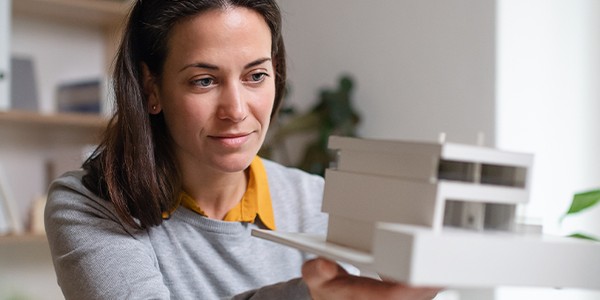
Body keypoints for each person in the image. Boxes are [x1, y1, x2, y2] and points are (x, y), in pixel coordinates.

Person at [44, 0, 440, 299]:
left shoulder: (319, 201)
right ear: (151, 88)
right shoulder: (89, 202)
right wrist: (311, 295)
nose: (236, 110)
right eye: (204, 80)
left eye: (256, 75)